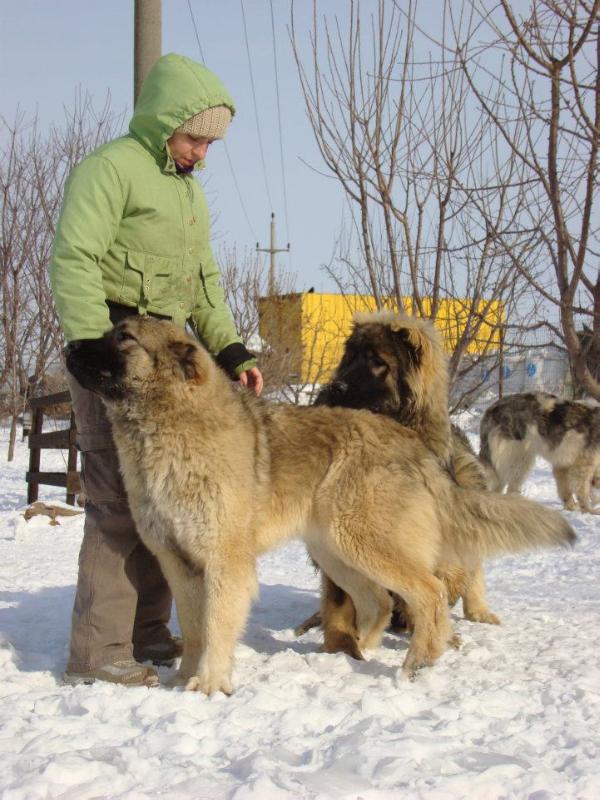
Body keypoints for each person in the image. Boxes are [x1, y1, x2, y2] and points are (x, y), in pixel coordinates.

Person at [50, 53, 263, 687]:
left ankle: (150, 632)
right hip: (115, 353)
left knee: (165, 507)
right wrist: (91, 348)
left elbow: (204, 284)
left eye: (209, 142)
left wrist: (230, 351)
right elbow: (76, 257)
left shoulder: (185, 189)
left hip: (168, 364)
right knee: (117, 502)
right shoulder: (110, 169)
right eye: (195, 136)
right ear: (165, 121)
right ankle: (100, 651)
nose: (202, 152)